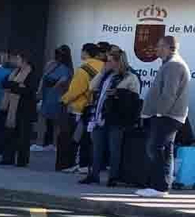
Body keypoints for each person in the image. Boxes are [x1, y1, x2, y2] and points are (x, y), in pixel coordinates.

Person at [137, 36, 192, 197]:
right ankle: (161, 185)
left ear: (169, 48)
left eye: (160, 46)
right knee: (164, 150)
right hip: (169, 115)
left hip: (167, 115)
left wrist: (159, 112)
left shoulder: (174, 65)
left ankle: (159, 187)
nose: (157, 49)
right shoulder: (171, 64)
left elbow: (169, 94)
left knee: (157, 149)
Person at [80, 48, 142, 187]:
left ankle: (113, 176)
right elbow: (92, 87)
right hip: (100, 116)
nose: (106, 64)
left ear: (118, 62)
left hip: (116, 118)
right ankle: (94, 174)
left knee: (114, 149)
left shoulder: (130, 77)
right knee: (96, 147)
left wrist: (118, 93)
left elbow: (135, 99)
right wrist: (101, 73)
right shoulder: (107, 75)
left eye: (110, 61)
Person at [59, 43, 106, 174]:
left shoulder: (83, 69)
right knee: (90, 138)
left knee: (75, 137)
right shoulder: (103, 67)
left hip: (80, 108)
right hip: (97, 107)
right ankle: (87, 164)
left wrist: (64, 99)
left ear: (85, 52)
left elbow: (76, 90)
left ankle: (75, 163)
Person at [0, 50, 39, 166]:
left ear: (24, 60)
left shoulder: (31, 73)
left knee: (23, 136)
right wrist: (17, 86)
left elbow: (29, 90)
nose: (16, 61)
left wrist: (13, 87)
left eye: (18, 59)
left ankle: (22, 160)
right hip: (11, 107)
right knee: (9, 134)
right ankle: (8, 158)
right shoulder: (15, 71)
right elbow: (4, 83)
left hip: (25, 108)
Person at [38, 46, 73, 151]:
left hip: (57, 95)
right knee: (48, 120)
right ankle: (46, 143)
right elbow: (44, 77)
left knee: (56, 121)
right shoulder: (52, 65)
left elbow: (64, 80)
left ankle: (54, 143)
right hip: (49, 95)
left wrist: (55, 86)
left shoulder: (66, 69)